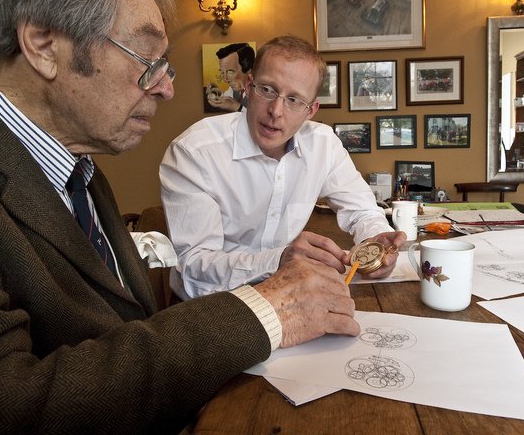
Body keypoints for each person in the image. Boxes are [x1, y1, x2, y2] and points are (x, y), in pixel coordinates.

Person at [0, 0, 359, 433]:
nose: (166, 87)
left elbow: (119, 326)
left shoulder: (80, 168)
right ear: (42, 45)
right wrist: (265, 310)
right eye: (146, 60)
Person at [161, 35, 406, 300]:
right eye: (267, 90)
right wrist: (279, 259)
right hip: (210, 303)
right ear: (248, 86)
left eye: (294, 100)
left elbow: (363, 213)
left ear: (311, 110)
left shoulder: (323, 144)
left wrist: (376, 239)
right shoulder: (194, 152)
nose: (276, 111)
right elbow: (194, 268)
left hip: (286, 291)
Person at [206, 42, 254, 112]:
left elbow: (261, 119)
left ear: (248, 70)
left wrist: (237, 107)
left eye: (230, 72)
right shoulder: (234, 88)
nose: (225, 80)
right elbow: (226, 98)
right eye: (223, 72)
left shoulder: (260, 92)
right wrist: (215, 93)